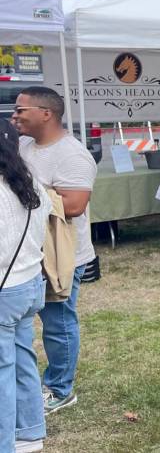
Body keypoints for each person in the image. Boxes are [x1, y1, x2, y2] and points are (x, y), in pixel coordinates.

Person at [13, 86, 97, 415]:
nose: (15, 116)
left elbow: (74, 205)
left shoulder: (72, 155)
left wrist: (23, 191)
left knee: (58, 323)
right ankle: (26, 384)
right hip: (27, 251)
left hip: (61, 255)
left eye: (21, 110)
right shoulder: (22, 146)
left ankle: (60, 388)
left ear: (46, 114)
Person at [1, 126, 51, 453]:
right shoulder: (30, 183)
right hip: (30, 282)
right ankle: (30, 431)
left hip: (7, 288)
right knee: (22, 358)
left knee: (4, 369)